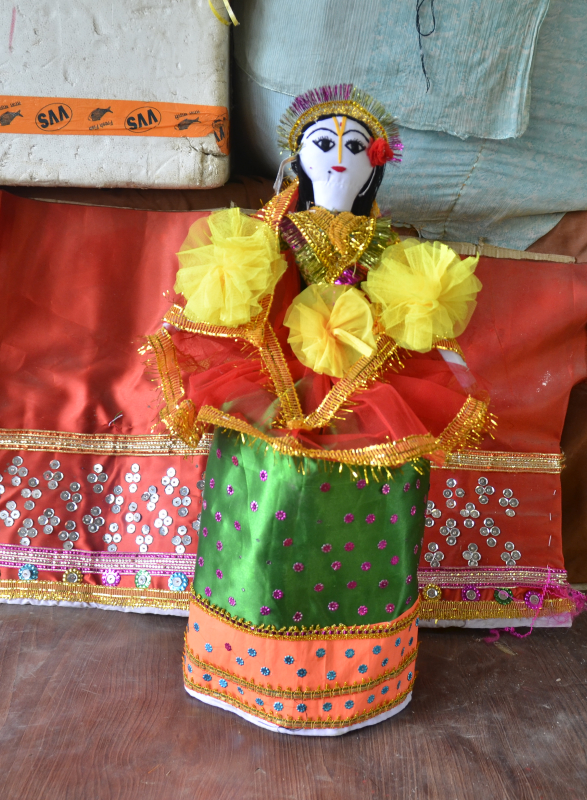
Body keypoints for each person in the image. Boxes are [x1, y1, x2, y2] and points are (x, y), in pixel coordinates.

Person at [146, 84, 490, 734]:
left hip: (371, 389)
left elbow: (413, 324)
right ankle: (250, 670)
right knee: (272, 483)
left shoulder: (392, 247)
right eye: (322, 143)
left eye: (355, 146)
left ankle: (355, 681)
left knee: (385, 486)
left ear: (375, 165)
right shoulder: (267, 234)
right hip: (275, 381)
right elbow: (240, 309)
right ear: (297, 159)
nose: (338, 156)